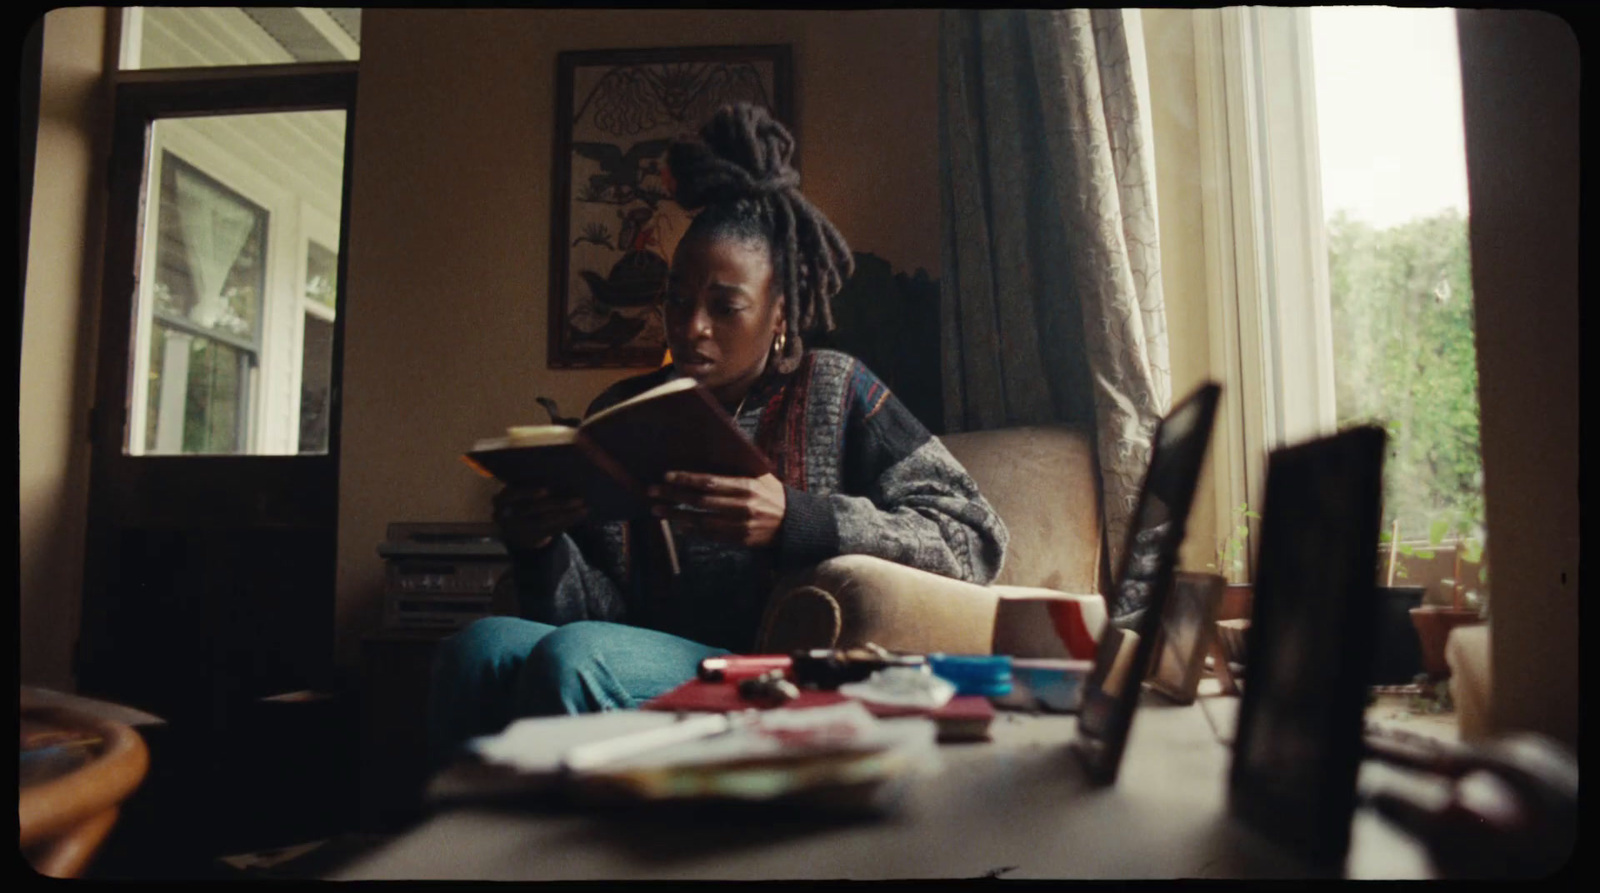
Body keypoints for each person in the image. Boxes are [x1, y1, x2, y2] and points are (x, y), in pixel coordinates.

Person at [427, 102, 1009, 767]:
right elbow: (593, 607)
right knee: (475, 647)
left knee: (576, 657)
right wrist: (539, 544)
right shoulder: (626, 409)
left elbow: (975, 536)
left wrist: (796, 516)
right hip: (632, 646)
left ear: (780, 311)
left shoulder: (837, 388)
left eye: (724, 305)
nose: (691, 326)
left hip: (766, 665)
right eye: (676, 299)